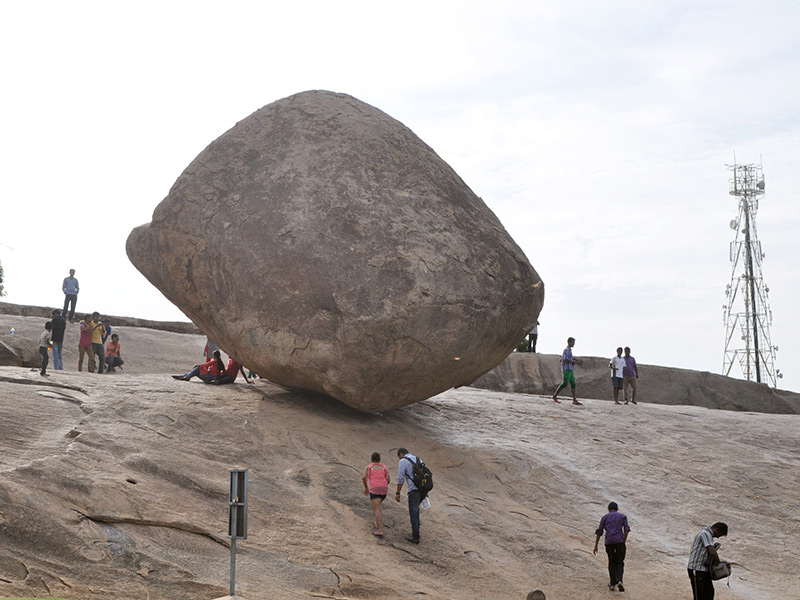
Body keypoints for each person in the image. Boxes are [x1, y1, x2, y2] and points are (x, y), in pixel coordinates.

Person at [593, 501, 631, 592]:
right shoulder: (622, 516)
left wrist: (596, 545)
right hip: (619, 541)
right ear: (617, 509)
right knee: (620, 562)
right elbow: (626, 529)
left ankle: (613, 584)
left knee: (611, 562)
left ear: (608, 509)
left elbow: (599, 532)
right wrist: (624, 540)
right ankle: (619, 581)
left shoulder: (605, 517)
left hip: (609, 541)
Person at [688, 522, 728, 599]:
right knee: (699, 595)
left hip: (703, 570)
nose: (718, 537)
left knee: (709, 592)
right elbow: (712, 552)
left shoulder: (708, 535)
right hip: (697, 569)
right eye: (720, 534)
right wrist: (718, 564)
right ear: (717, 530)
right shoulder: (705, 533)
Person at [395, 447, 422, 544]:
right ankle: (416, 530)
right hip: (422, 489)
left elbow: (400, 478)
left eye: (399, 457)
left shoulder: (403, 461)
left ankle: (416, 536)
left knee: (413, 511)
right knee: (417, 510)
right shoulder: (418, 459)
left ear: (401, 454)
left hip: (413, 489)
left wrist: (398, 492)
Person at [362, 452, 391, 539]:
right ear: (379, 460)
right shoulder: (384, 467)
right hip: (384, 489)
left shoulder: (369, 467)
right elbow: (388, 479)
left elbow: (364, 478)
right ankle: (376, 522)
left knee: (377, 509)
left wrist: (366, 488)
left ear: (371, 459)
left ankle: (380, 530)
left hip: (375, 489)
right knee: (378, 507)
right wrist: (384, 485)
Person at [552, 337, 582, 405]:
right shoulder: (566, 350)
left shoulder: (569, 350)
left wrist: (573, 359)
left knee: (573, 383)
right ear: (569, 342)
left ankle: (574, 399)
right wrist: (572, 361)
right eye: (573, 342)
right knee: (565, 383)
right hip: (567, 369)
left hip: (570, 369)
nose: (574, 344)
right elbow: (565, 359)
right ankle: (554, 396)